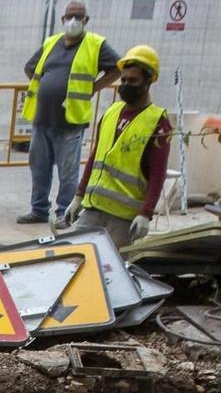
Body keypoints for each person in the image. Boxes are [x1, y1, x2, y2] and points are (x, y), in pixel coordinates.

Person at [18, 2, 119, 226]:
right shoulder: (51, 42)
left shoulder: (95, 44)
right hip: (42, 118)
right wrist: (46, 86)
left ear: (86, 20)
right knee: (39, 167)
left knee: (68, 172)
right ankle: (39, 209)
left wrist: (94, 87)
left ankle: (65, 212)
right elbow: (30, 67)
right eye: (69, 16)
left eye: (78, 16)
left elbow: (118, 67)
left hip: (70, 120)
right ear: (63, 19)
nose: (73, 21)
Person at [63, 46, 172, 248]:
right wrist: (78, 197)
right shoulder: (112, 112)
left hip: (123, 218)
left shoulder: (157, 122)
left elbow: (158, 173)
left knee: (112, 271)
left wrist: (145, 214)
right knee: (78, 261)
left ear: (148, 82)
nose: (125, 85)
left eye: (133, 81)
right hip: (93, 208)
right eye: (123, 80)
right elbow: (95, 157)